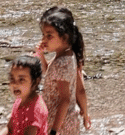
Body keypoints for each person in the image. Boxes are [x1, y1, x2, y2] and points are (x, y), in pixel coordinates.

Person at [36, 7, 91, 135]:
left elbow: (64, 100)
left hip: (60, 123)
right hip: (69, 120)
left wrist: (54, 131)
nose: (44, 39)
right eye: (43, 35)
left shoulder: (61, 64)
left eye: (49, 35)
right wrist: (41, 55)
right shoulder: (69, 55)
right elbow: (51, 73)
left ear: (65, 37)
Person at [0, 55, 48, 135]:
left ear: (35, 82)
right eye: (12, 79)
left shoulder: (35, 110)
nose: (14, 84)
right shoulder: (20, 99)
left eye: (21, 79)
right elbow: (9, 127)